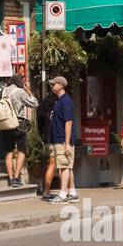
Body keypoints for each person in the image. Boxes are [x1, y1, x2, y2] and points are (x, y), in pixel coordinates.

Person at [0, 75, 39, 188]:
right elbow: (35, 104)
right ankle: (16, 178)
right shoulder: (20, 92)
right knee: (22, 151)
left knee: (9, 152)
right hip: (18, 124)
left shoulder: (4, 91)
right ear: (20, 82)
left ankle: (10, 179)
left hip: (6, 124)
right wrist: (29, 91)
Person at [45, 76, 78, 204]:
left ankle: (63, 194)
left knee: (63, 167)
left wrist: (67, 144)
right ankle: (73, 192)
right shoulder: (59, 101)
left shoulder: (65, 101)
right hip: (60, 139)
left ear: (60, 85)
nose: (52, 86)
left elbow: (68, 123)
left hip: (63, 140)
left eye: (54, 84)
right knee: (67, 166)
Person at [37, 88, 57, 197]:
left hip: (46, 138)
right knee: (55, 165)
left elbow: (39, 121)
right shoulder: (56, 103)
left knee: (48, 164)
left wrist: (41, 135)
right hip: (54, 139)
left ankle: (46, 189)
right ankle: (47, 191)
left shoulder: (44, 105)